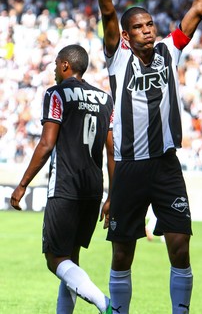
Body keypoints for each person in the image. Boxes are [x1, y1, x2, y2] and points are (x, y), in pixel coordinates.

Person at [82, 0, 202, 313]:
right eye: (139, 27)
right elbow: (108, 9)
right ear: (125, 36)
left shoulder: (169, 51)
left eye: (149, 25)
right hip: (128, 168)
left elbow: (199, 9)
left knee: (180, 244)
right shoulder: (118, 57)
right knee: (123, 252)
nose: (147, 31)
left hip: (165, 165)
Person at [10, 44, 114, 314]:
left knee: (55, 259)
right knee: (72, 260)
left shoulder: (56, 94)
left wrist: (22, 185)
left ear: (65, 65)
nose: (55, 70)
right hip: (93, 189)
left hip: (65, 186)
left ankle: (104, 303)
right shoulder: (105, 99)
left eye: (57, 65)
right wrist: (112, 195)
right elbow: (113, 150)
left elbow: (46, 144)